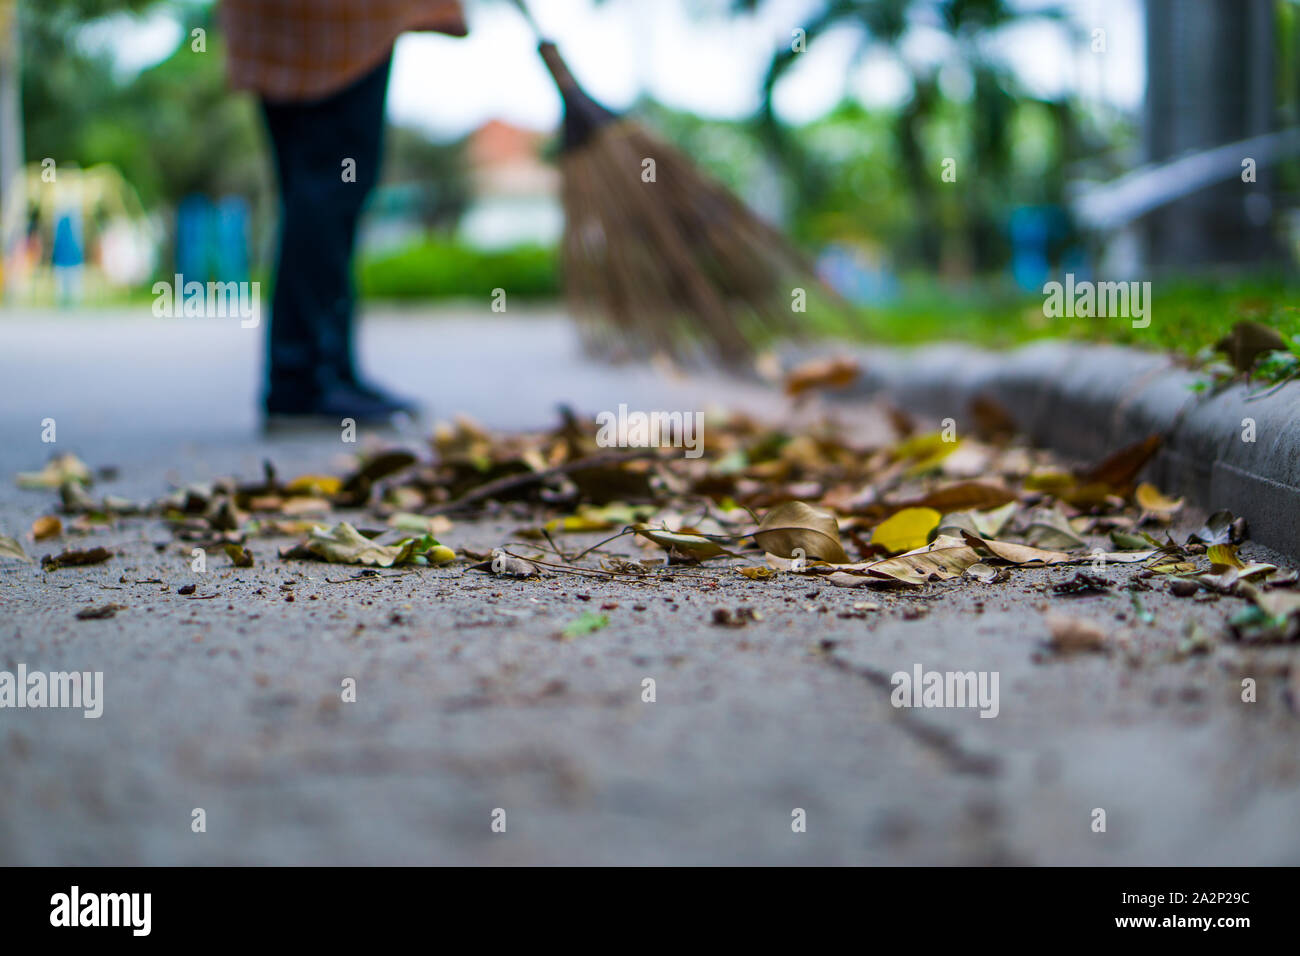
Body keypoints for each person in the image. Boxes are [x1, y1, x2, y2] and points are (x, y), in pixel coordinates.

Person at [220, 0, 467, 424]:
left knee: (311, 188)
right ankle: (305, 378)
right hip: (336, 26)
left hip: (275, 24)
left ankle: (324, 369)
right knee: (331, 188)